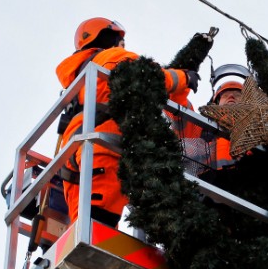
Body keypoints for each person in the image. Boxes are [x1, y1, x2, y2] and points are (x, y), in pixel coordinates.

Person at [56, 17, 197, 227]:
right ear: (108, 37)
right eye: (120, 40)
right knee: (98, 225)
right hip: (104, 149)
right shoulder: (110, 57)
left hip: (76, 154)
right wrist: (184, 78)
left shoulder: (79, 77)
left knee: (82, 226)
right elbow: (146, 75)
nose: (123, 45)